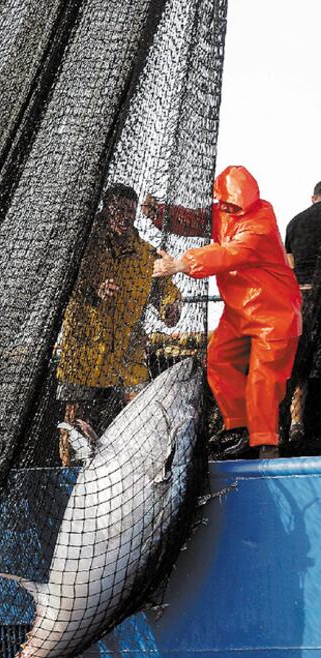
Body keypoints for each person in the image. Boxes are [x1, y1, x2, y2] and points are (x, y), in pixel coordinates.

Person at [143, 166, 302, 459]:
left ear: (249, 201)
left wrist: (180, 264)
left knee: (263, 379)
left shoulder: (261, 224)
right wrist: (159, 213)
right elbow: (195, 221)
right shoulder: (222, 213)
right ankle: (239, 428)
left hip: (274, 313)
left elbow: (230, 253)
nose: (226, 209)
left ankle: (266, 445)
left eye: (231, 205)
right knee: (218, 358)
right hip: (239, 310)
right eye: (223, 203)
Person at [57, 183, 182, 465]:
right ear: (105, 209)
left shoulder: (145, 254)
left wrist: (170, 307)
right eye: (119, 210)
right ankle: (66, 466)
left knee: (139, 408)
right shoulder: (84, 245)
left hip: (128, 346)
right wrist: (95, 291)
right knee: (75, 415)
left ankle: (140, 463)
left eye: (131, 211)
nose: (126, 217)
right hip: (84, 344)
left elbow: (166, 290)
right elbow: (65, 285)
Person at [285, 181, 321, 441]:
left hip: (298, 298)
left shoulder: (295, 222)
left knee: (296, 366)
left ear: (313, 198)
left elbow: (289, 264)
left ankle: (293, 424)